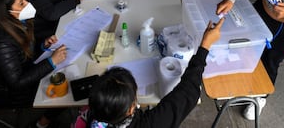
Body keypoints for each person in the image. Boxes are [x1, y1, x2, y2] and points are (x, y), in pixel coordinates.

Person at [73, 19, 224, 128]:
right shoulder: (151, 124)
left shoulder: (93, 117)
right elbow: (187, 93)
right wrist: (205, 46)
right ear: (131, 108)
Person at [0, 0, 68, 127]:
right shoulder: (1, 44)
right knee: (66, 90)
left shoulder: (17, 22)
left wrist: (43, 46)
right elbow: (17, 83)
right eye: (21, 3)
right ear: (7, 12)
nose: (28, 3)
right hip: (10, 94)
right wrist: (51, 61)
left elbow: (23, 51)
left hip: (25, 70)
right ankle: (41, 124)